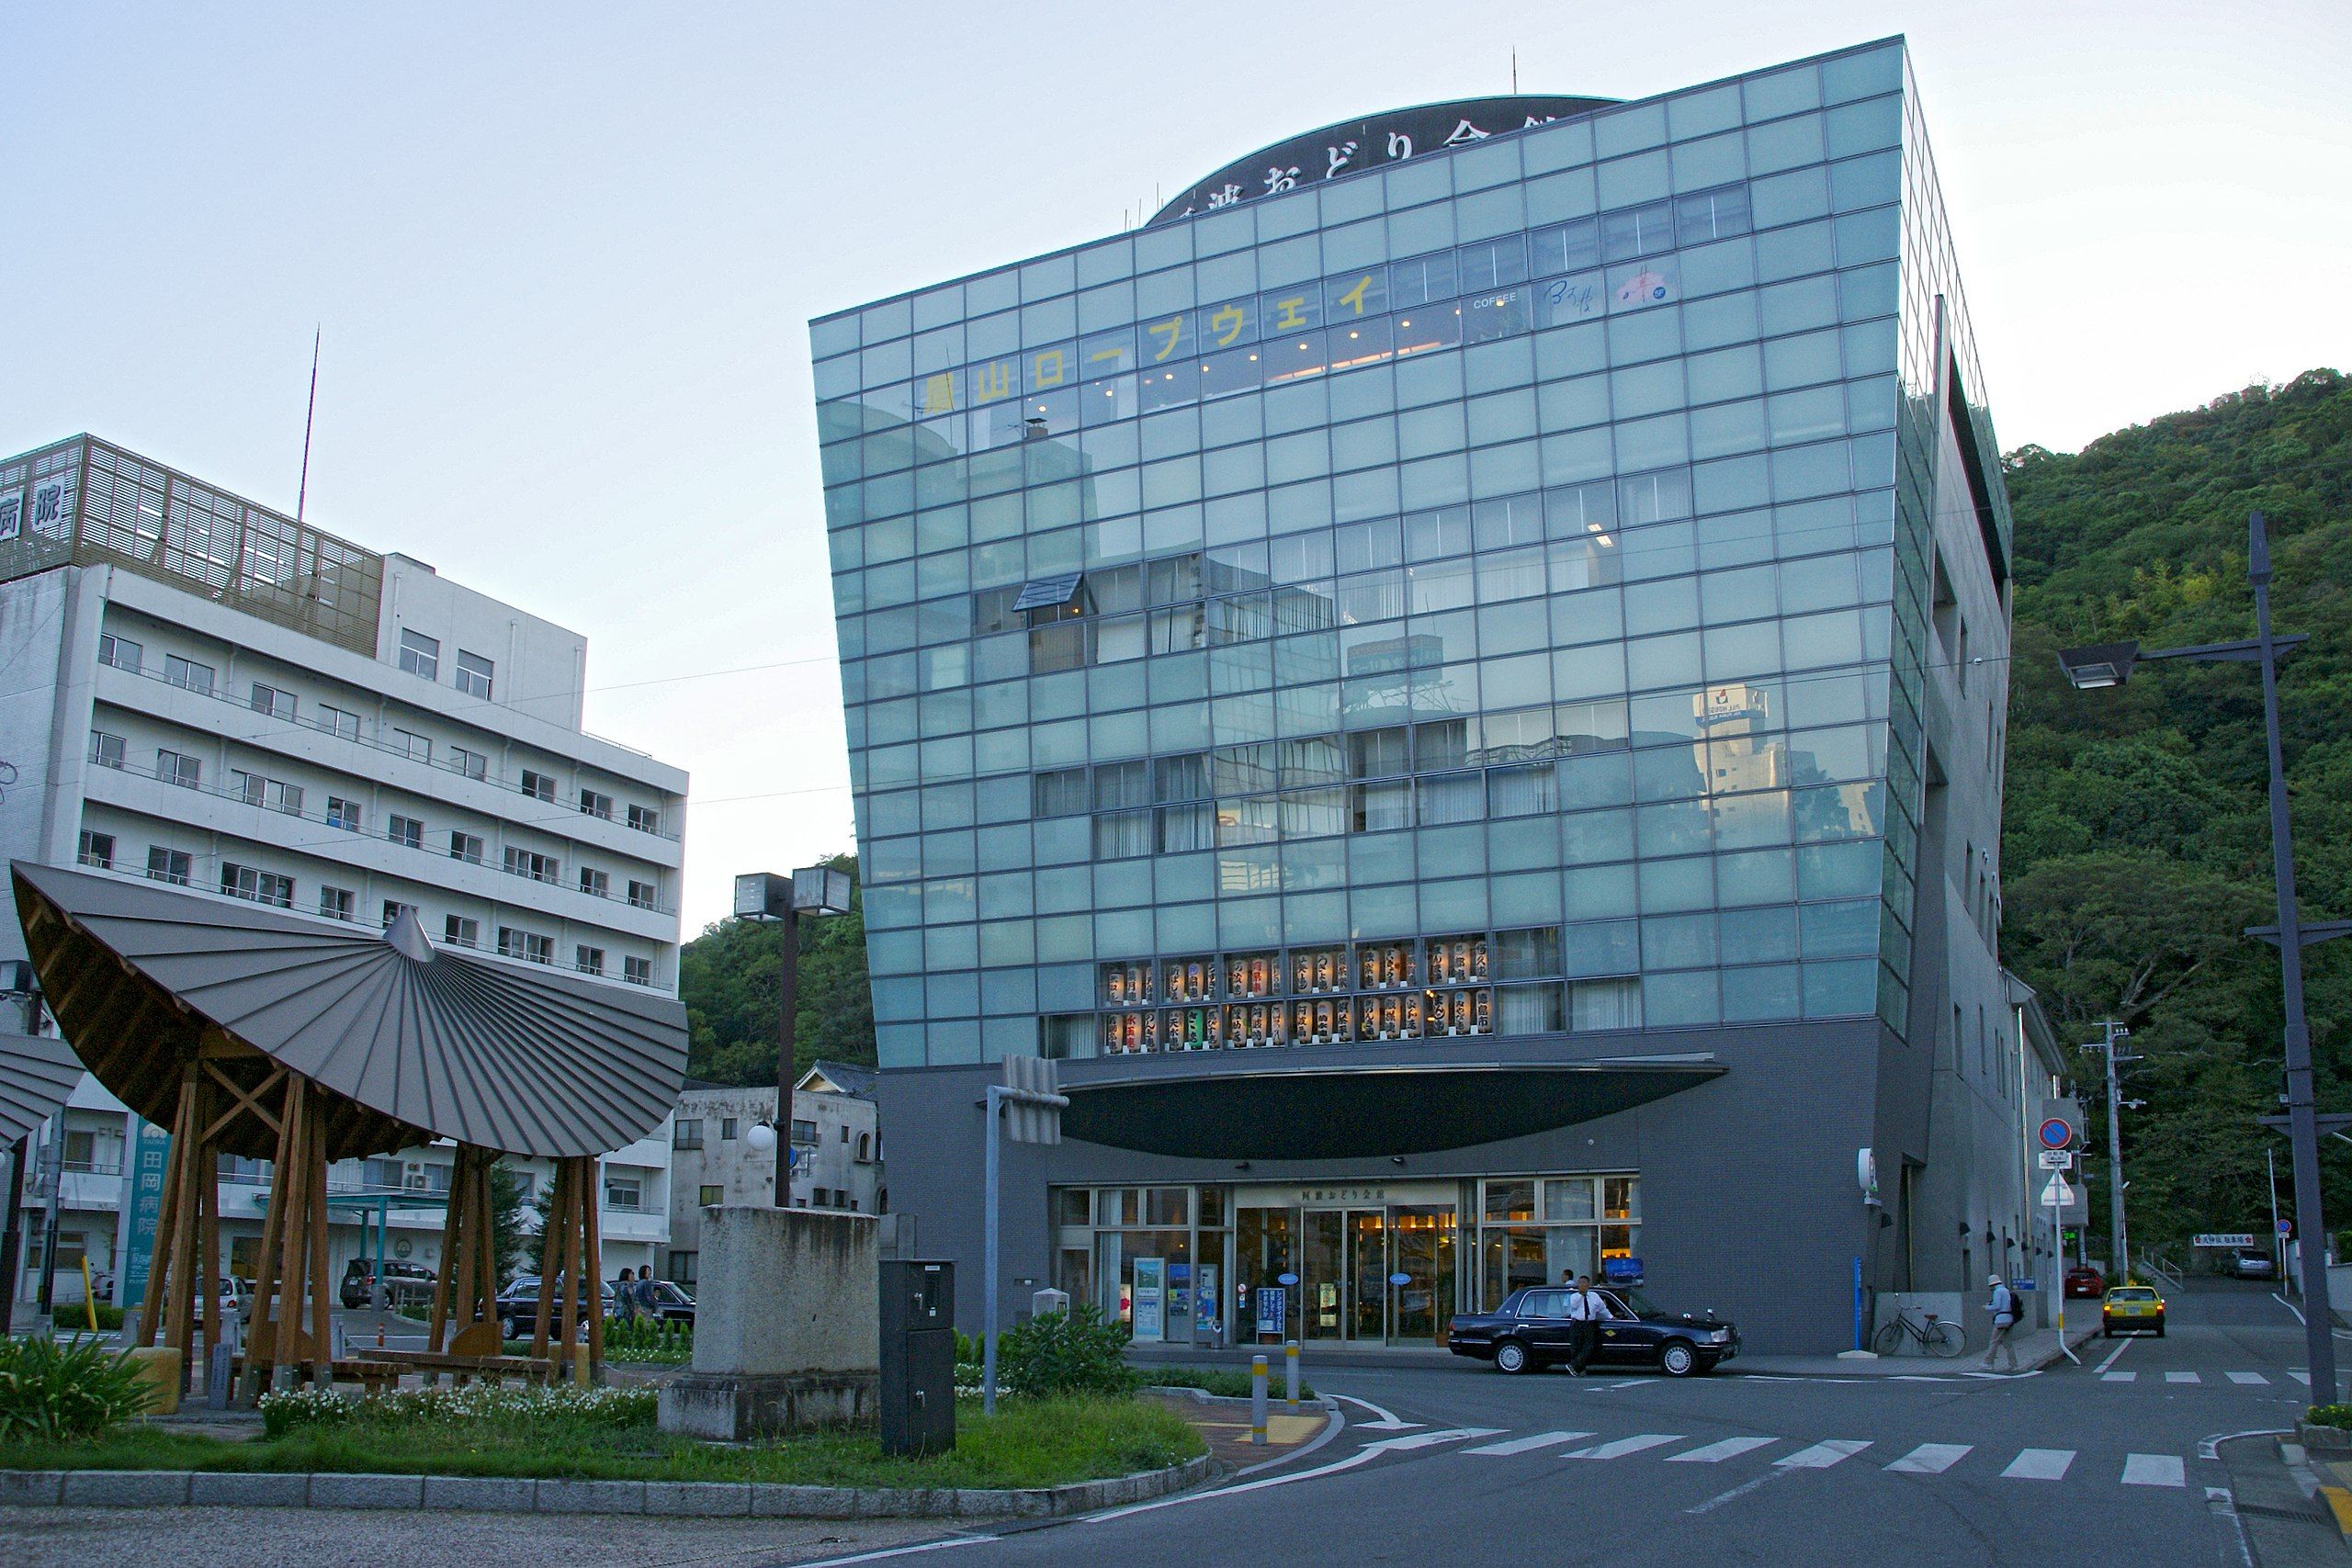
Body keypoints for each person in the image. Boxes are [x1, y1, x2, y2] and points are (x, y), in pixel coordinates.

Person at [1981, 1273, 2019, 1371]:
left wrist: (1986, 1307)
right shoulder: (2006, 1290)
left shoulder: (1997, 1292)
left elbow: (1997, 1306)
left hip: (2001, 1320)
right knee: (2008, 1343)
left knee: (1993, 1342)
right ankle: (2013, 1365)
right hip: (2009, 1319)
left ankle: (1987, 1363)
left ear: (1992, 1284)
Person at [1566, 1273, 1599, 1376]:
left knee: (1589, 1346)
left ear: (1588, 1284)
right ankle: (1578, 1368)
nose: (1581, 1285)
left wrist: (1610, 1316)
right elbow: (1573, 1306)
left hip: (1589, 1323)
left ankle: (1575, 1365)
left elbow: (1601, 1308)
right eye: (1579, 1283)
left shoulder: (1594, 1296)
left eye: (1583, 1283)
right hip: (1577, 1323)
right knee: (1576, 1347)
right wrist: (1581, 1294)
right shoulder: (1574, 1296)